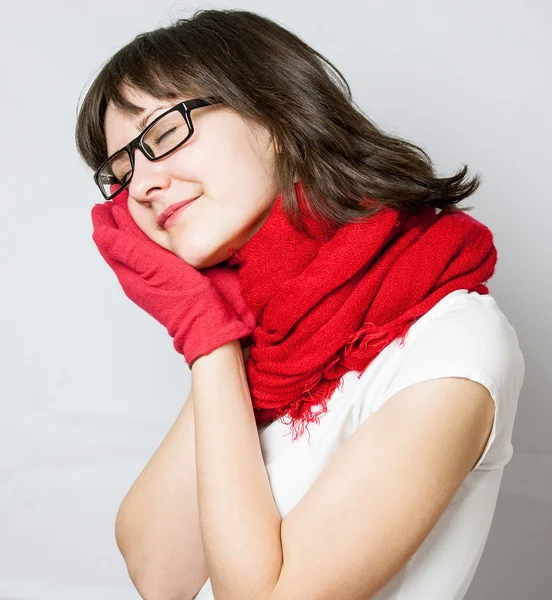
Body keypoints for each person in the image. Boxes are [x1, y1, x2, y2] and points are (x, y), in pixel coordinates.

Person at [75, 8, 525, 600]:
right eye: (123, 167)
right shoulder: (271, 327)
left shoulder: (452, 345)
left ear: (278, 115)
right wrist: (209, 328)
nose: (140, 186)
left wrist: (207, 334)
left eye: (163, 134)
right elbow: (160, 573)